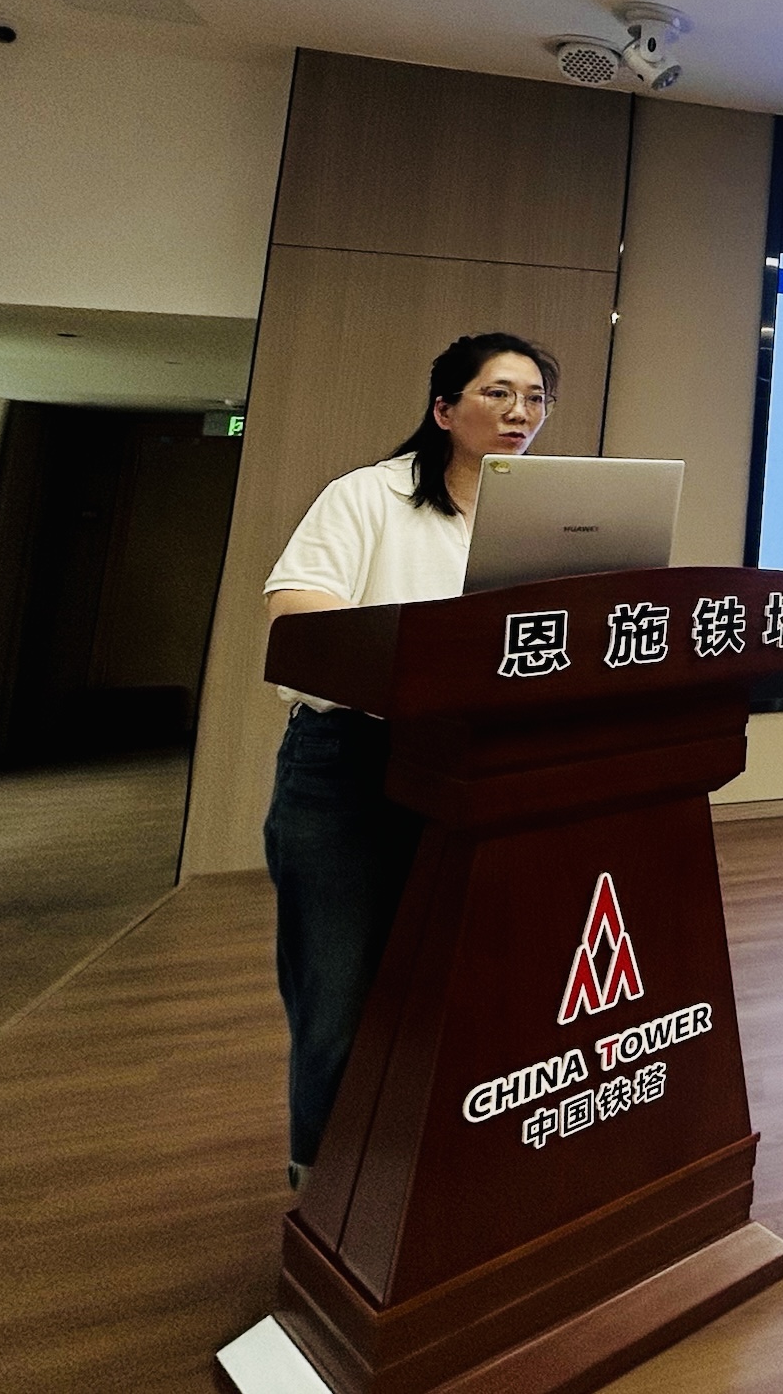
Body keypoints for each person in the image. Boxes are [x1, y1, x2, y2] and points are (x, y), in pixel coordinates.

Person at [260, 330, 559, 1186]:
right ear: (444, 409)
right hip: (351, 765)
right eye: (498, 392)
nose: (520, 412)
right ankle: (323, 1182)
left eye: (535, 398)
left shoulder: (541, 513)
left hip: (477, 764)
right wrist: (427, 654)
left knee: (458, 987)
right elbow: (295, 611)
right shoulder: (368, 495)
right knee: (339, 994)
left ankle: (424, 1181)